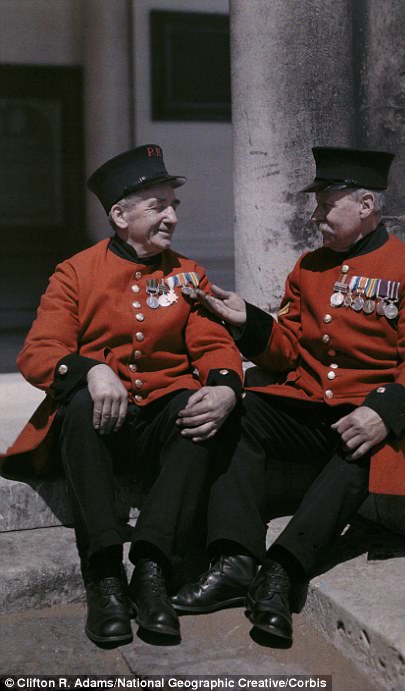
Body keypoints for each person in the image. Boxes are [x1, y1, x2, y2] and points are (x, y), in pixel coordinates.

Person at [171, 146, 405, 645]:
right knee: (239, 411)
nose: (316, 215)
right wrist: (250, 321)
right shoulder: (308, 268)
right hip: (314, 409)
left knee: (363, 444)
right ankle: (238, 560)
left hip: (374, 420)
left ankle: (284, 571)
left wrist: (383, 413)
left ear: (365, 204)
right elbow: (289, 351)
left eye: (326, 205)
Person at [3, 144, 244, 645]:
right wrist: (90, 370)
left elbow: (213, 345)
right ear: (119, 215)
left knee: (194, 408)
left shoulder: (187, 275)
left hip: (159, 421)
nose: (172, 218)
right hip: (100, 428)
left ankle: (152, 571)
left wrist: (224, 386)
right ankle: (105, 576)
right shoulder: (76, 272)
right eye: (157, 207)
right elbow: (38, 352)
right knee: (79, 404)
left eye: (173, 206)